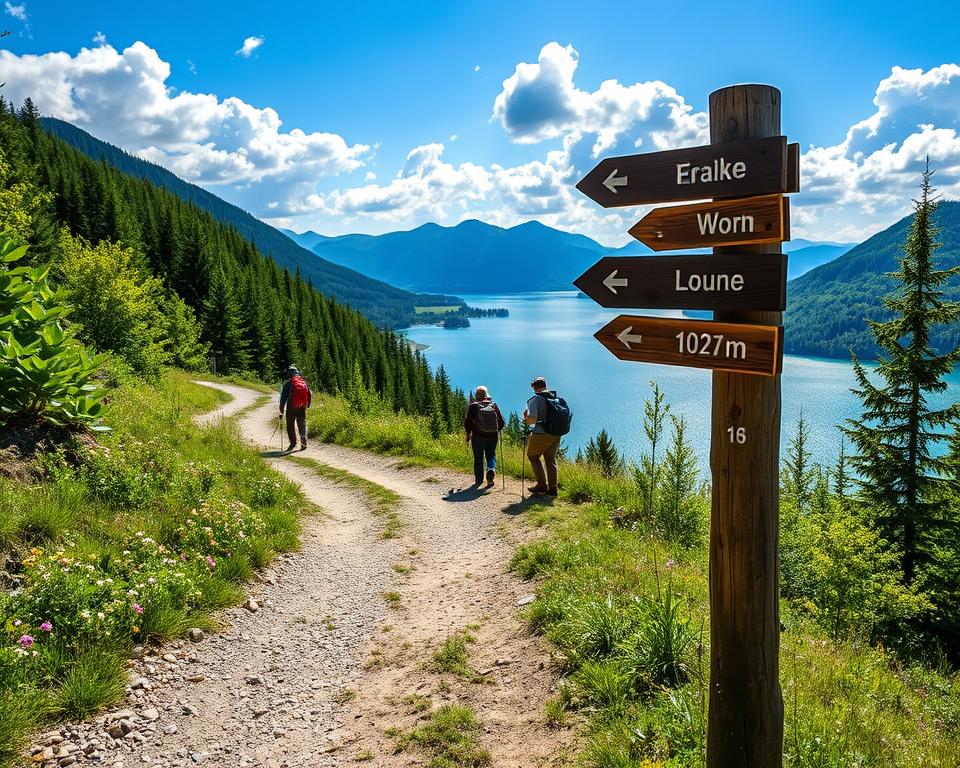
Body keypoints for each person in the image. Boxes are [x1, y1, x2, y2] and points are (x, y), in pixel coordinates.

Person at [524, 376, 561, 496]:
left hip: (542, 433)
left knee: (533, 456)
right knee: (550, 459)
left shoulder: (537, 399)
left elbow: (532, 420)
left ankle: (541, 485)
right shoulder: (555, 397)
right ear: (545, 385)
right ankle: (553, 488)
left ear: (535, 387)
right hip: (556, 432)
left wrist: (526, 418)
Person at [463, 385, 505, 487]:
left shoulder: (474, 405)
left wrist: (468, 435)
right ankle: (491, 470)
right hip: (492, 436)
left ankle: (479, 481)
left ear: (477, 396)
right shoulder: (493, 405)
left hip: (478, 436)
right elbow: (501, 422)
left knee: (478, 458)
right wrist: (495, 431)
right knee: (491, 455)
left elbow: (468, 422)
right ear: (486, 395)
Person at [279, 365, 312, 452]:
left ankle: (293, 443)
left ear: (289, 374)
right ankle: (303, 439)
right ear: (297, 373)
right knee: (302, 421)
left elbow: (283, 398)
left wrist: (281, 408)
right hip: (302, 405)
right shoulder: (304, 382)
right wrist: (307, 405)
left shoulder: (288, 383)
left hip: (292, 405)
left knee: (290, 423)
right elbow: (309, 394)